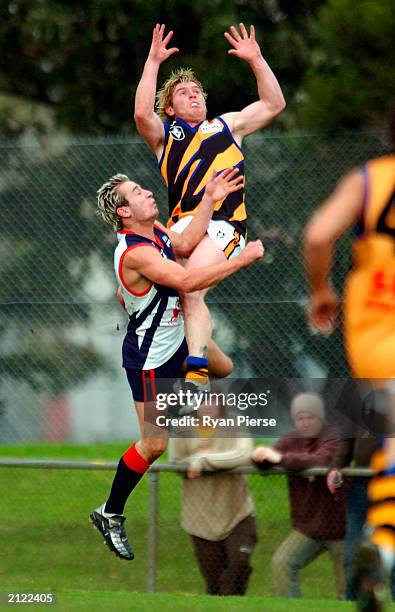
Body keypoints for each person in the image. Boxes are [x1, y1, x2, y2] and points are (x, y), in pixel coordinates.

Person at [90, 168, 264, 560]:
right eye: (137, 192)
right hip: (151, 357)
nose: (148, 192)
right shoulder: (137, 252)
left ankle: (192, 381)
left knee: (224, 367)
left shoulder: (157, 234)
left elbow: (185, 240)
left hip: (177, 339)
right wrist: (243, 260)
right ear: (124, 212)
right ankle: (110, 512)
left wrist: (210, 198)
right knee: (154, 443)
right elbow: (186, 283)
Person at [134, 22, 285, 390]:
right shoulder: (165, 139)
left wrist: (257, 59)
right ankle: (217, 362)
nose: (194, 95)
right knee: (178, 304)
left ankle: (196, 371)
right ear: (169, 108)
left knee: (190, 290)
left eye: (197, 91)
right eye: (184, 93)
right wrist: (153, 62)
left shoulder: (227, 126)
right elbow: (141, 114)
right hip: (183, 227)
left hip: (223, 223)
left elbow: (274, 104)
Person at [304, 104, 395, 610]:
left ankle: (381, 549)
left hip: (376, 329)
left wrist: (321, 290)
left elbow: (318, 235)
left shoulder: (370, 180)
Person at [252, 392, 346, 599]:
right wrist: (260, 457)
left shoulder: (334, 435)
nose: (305, 423)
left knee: (347, 589)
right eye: (299, 418)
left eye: (310, 417)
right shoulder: (291, 440)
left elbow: (320, 460)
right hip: (308, 527)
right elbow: (270, 459)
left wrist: (280, 458)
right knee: (282, 563)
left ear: (321, 417)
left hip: (343, 528)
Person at [169, 397, 257, 596]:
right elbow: (175, 463)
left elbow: (243, 455)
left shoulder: (236, 423)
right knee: (213, 581)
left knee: (239, 563)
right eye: (202, 401)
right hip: (199, 517)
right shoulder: (182, 428)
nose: (207, 406)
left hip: (237, 512)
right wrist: (216, 460)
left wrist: (202, 459)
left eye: (212, 401)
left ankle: (233, 603)